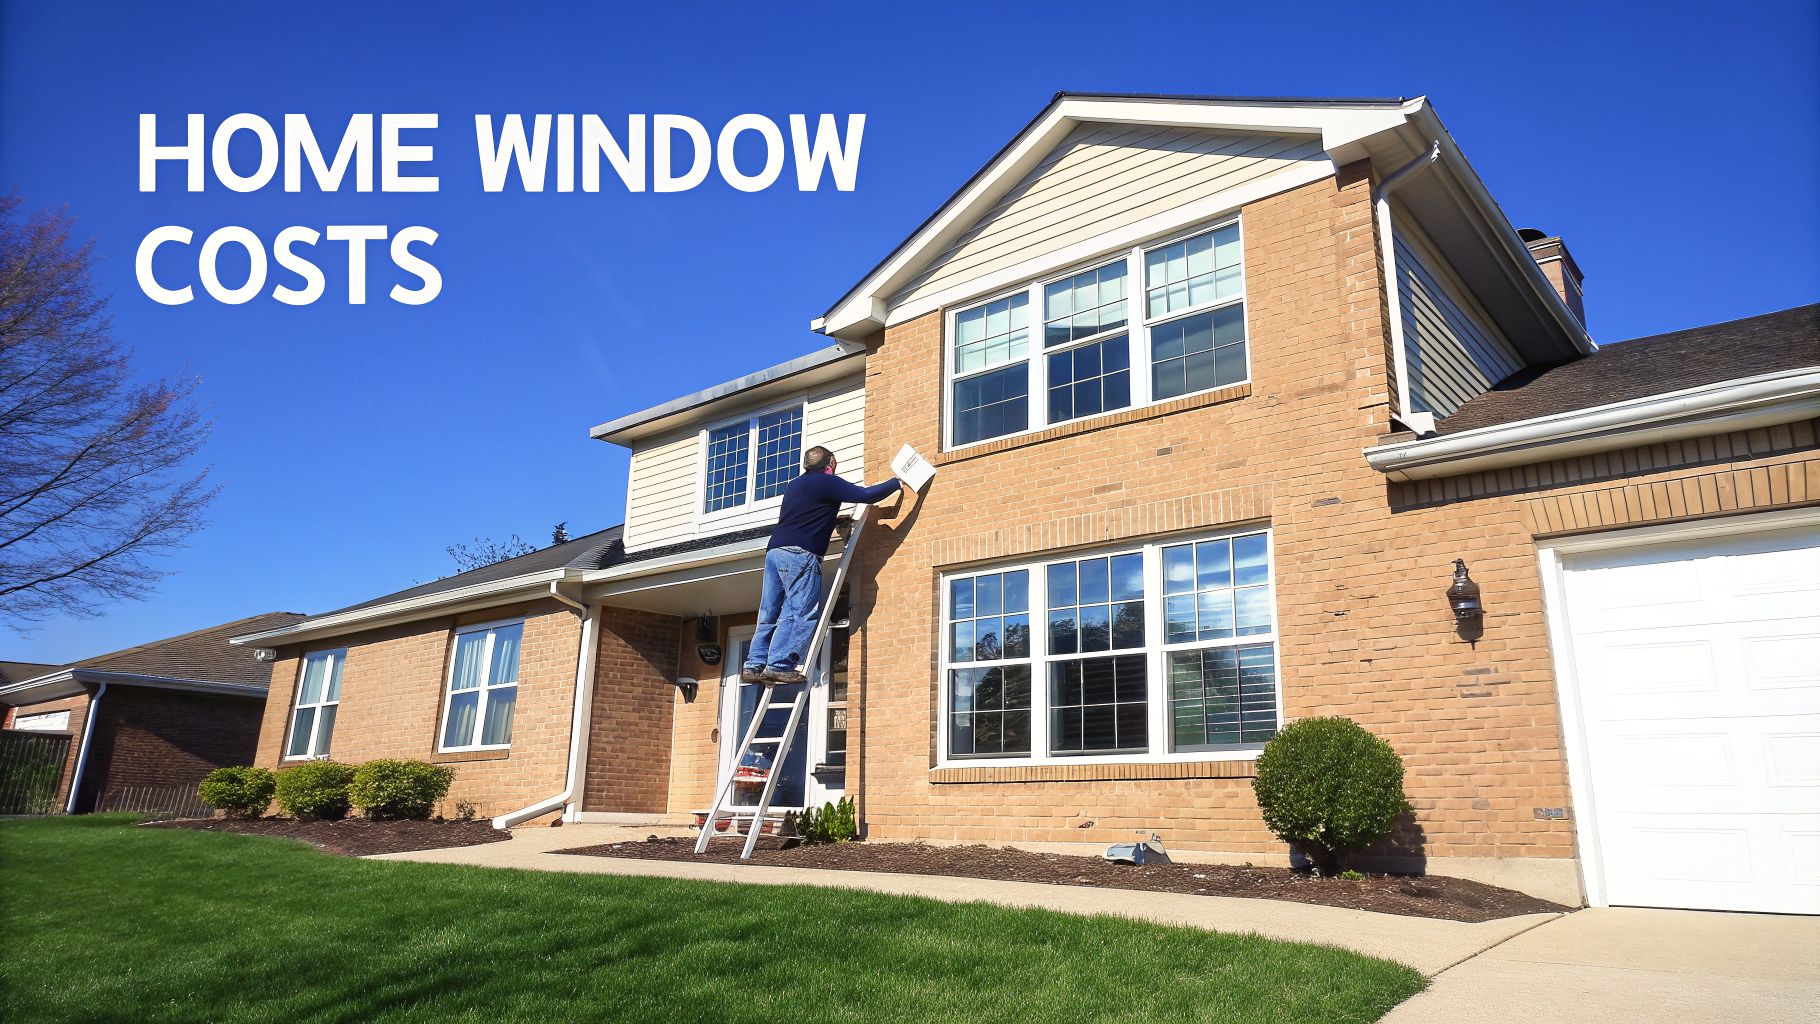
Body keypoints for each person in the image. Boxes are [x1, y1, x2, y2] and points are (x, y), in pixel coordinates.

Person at [743, 445, 901, 684]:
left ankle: (754, 665)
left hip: (775, 551)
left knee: (770, 611)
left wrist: (835, 521)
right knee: (802, 612)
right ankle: (780, 664)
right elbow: (867, 496)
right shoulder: (827, 482)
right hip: (800, 554)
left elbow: (810, 513)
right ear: (832, 462)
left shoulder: (795, 485)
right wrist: (896, 482)